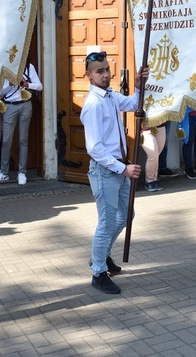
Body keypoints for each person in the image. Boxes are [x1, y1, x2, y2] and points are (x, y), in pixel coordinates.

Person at [79, 50, 147, 295]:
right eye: (100, 71)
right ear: (88, 76)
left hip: (120, 167)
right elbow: (94, 148)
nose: (106, 74)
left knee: (126, 215)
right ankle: (98, 273)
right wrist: (124, 168)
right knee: (107, 223)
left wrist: (138, 86)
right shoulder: (94, 104)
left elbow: (132, 103)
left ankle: (102, 255)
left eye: (107, 69)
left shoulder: (109, 95)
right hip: (106, 170)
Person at [0, 62, 43, 186]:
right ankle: (4, 173)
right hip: (9, 106)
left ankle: (22, 172)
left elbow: (39, 86)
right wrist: (10, 85)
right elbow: (0, 93)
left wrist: (27, 84)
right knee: (6, 140)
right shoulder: (5, 67)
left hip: (25, 105)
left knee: (23, 140)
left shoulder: (28, 66)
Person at [141, 125, 165, 191]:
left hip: (160, 125)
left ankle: (154, 179)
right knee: (153, 155)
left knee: (156, 155)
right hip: (145, 127)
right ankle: (149, 180)